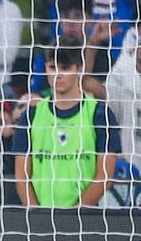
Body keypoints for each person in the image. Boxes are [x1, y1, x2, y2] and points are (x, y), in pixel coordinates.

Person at [13, 42, 117, 207]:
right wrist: (37, 216)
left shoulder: (100, 114)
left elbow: (105, 176)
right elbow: (22, 176)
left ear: (80, 69)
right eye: (53, 67)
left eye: (65, 68)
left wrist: (73, 216)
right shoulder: (31, 116)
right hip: (40, 221)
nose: (58, 75)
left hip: (85, 219)